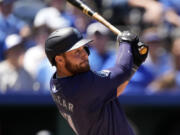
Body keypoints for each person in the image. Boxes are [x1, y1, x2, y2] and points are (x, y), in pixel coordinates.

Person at [45, 27, 148, 135]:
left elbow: (113, 90)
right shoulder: (83, 86)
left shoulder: (56, 81)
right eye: (77, 52)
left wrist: (134, 65)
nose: (85, 54)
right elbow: (122, 70)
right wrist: (125, 43)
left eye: (84, 48)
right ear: (59, 59)